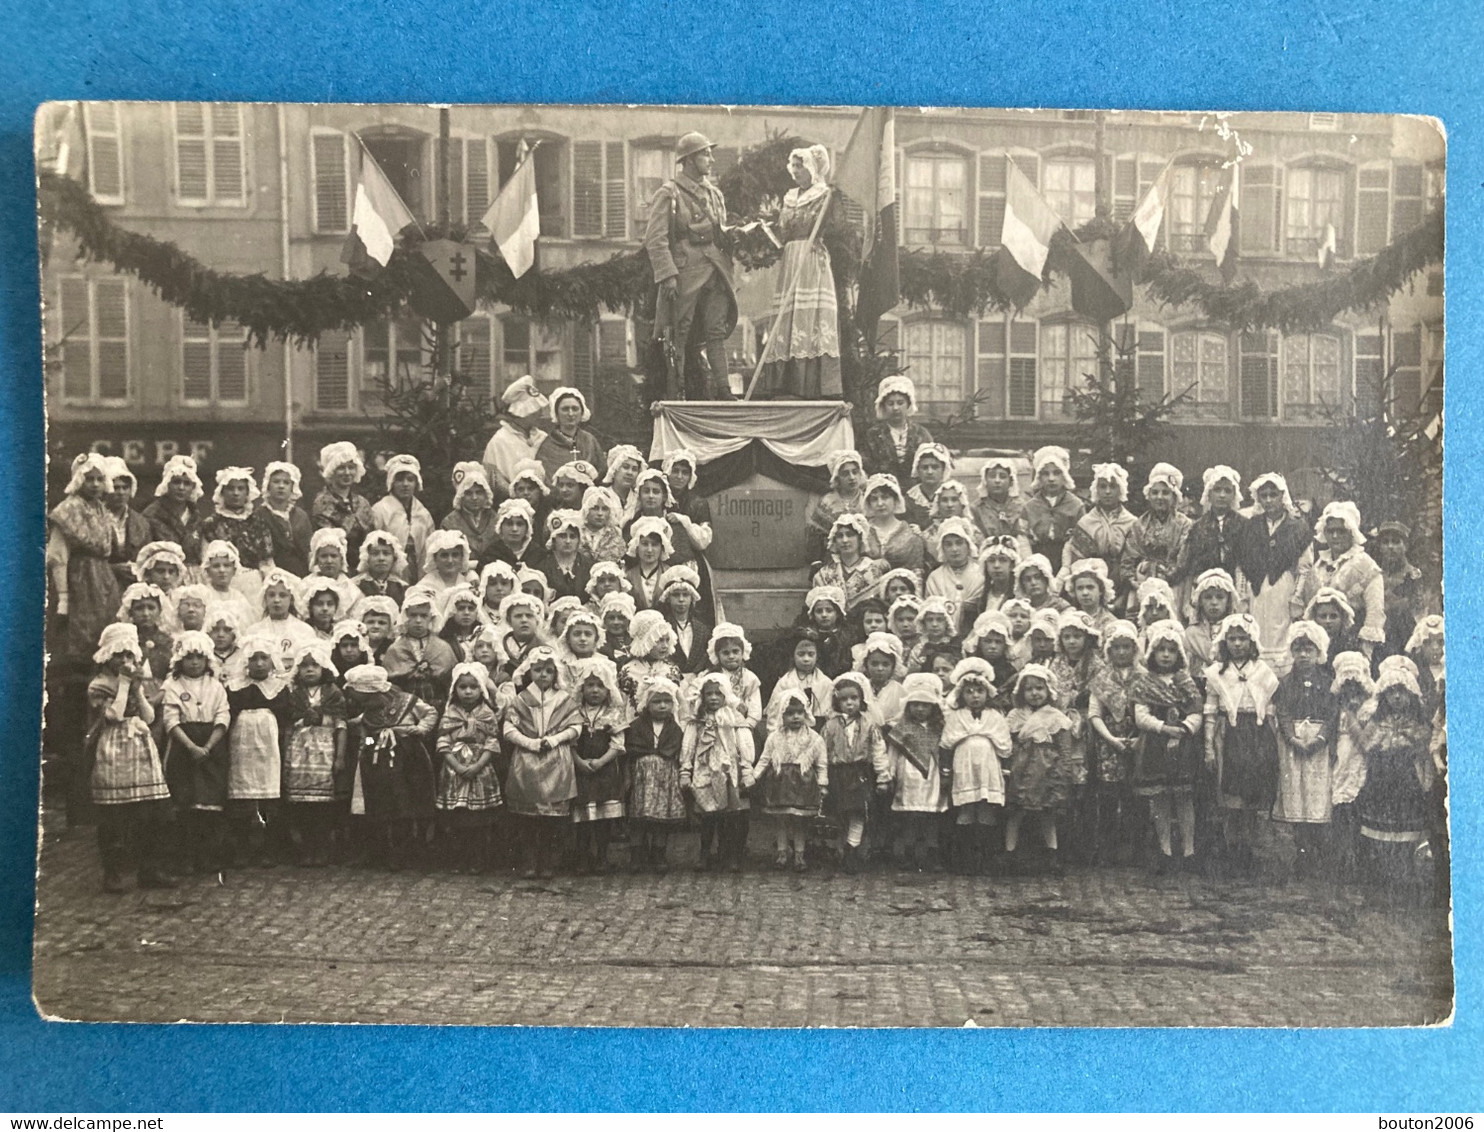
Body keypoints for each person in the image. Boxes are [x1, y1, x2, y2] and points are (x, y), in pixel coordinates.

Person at [643, 131, 737, 401]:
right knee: (678, 332)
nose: (711, 159)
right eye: (705, 154)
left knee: (716, 331)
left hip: (716, 270)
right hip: (685, 271)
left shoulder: (715, 194)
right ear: (689, 160)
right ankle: (678, 391)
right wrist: (668, 274)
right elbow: (655, 238)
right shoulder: (669, 193)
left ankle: (725, 390)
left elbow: (722, 231)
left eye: (709, 153)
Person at [86, 623, 176, 892]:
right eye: (119, 656)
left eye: (129, 656)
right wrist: (125, 685)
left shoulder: (135, 684)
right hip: (114, 745)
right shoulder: (99, 685)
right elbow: (113, 715)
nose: (125, 661)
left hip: (139, 745)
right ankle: (113, 873)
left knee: (149, 812)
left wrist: (136, 689)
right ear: (107, 657)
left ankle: (149, 869)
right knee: (114, 814)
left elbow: (148, 716)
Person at [752, 144, 846, 399]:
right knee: (788, 315)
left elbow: (838, 227)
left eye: (800, 166)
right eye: (792, 166)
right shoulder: (790, 196)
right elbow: (783, 233)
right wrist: (766, 230)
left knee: (810, 315)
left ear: (812, 169)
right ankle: (786, 382)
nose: (794, 171)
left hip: (811, 258)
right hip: (791, 257)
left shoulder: (825, 194)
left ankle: (812, 385)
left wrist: (834, 201)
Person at [1203, 613, 1280, 876]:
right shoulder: (1216, 673)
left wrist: (1270, 739)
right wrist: (1209, 746)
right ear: (1225, 642)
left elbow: (1269, 708)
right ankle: (1230, 847)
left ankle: (1248, 849)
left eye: (1242, 638)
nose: (1237, 644)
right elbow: (1211, 710)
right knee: (1229, 794)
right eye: (1232, 639)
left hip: (1254, 733)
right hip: (1229, 732)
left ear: (1251, 640)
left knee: (1251, 794)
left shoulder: (1261, 670)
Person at [343, 664, 439, 871]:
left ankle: (402, 852)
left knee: (404, 804)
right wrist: (369, 744)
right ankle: (379, 851)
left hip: (408, 760)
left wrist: (420, 729)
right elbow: (366, 737)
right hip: (377, 763)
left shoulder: (407, 702)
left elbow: (431, 713)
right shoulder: (369, 714)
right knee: (378, 805)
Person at [1132, 620, 1205, 874]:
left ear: (1179, 655)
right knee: (1159, 799)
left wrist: (1184, 728)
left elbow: (1198, 711)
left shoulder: (1185, 681)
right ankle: (1164, 850)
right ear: (1152, 653)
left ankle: (1189, 851)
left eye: (1171, 651)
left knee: (1184, 798)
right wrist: (1162, 728)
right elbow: (1140, 716)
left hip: (1182, 745)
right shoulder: (1145, 682)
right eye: (1161, 650)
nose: (1165, 655)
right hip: (1155, 745)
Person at [159, 631, 231, 875]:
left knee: (210, 803)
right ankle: (184, 857)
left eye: (199, 657)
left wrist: (208, 746)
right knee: (185, 803)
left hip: (212, 745)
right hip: (184, 745)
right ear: (180, 659)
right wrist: (191, 747)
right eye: (189, 657)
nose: (194, 662)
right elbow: (170, 721)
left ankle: (207, 856)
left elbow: (223, 716)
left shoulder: (216, 686)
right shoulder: (173, 686)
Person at [1271, 621, 1339, 880]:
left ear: (1319, 652)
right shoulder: (1286, 683)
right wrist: (1292, 737)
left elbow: (1332, 715)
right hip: (1294, 744)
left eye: (1309, 650)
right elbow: (1283, 712)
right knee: (1296, 794)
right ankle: (1300, 852)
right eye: (1298, 649)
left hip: (1318, 746)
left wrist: (1320, 739)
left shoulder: (1329, 682)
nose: (1303, 655)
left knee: (1317, 795)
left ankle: (1317, 854)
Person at [1234, 472, 1314, 679]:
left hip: (1283, 587)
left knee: (1282, 632)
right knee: (1257, 630)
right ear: (1258, 498)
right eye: (1264, 495)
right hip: (1257, 589)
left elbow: (1304, 567)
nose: (1269, 500)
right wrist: (1242, 595)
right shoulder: (1250, 526)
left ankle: (1283, 679)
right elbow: (1242, 563)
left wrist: (1296, 597)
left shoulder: (1297, 526)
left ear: (1282, 496)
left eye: (1273, 494)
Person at [225, 634, 293, 868]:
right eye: (254, 659)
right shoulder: (235, 688)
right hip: (242, 746)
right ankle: (242, 848)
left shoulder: (280, 688)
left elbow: (285, 719)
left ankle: (269, 848)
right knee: (243, 795)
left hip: (269, 747)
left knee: (269, 796)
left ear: (272, 661)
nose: (259, 664)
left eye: (264, 658)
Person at [1003, 663, 1077, 874]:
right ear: (1021, 692)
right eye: (1029, 689)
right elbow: (1007, 744)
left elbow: (1064, 749)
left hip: (1046, 771)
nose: (1034, 693)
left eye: (1039, 688)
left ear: (1048, 691)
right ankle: (1010, 853)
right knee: (1015, 813)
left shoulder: (1056, 717)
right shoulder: (1015, 716)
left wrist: (1062, 773)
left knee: (1047, 814)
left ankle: (1052, 854)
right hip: (1021, 769)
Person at [942, 658, 1013, 876]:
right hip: (964, 767)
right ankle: (965, 857)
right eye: (969, 692)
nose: (975, 696)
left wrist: (1005, 770)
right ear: (961, 695)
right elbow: (946, 743)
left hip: (988, 767)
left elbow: (1005, 745)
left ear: (987, 693)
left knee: (985, 808)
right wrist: (946, 771)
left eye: (979, 691)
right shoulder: (956, 717)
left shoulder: (994, 717)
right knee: (966, 808)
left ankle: (986, 857)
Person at [681, 672, 757, 873]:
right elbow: (689, 746)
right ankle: (704, 853)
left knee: (730, 816)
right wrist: (685, 770)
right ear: (702, 696)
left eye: (718, 694)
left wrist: (746, 770)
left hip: (727, 771)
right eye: (709, 694)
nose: (713, 698)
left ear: (726, 696)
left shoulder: (734, 719)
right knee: (707, 815)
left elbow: (743, 747)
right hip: (704, 770)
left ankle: (729, 855)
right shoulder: (697, 720)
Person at [281, 642, 348, 867]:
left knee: (323, 806)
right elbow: (290, 722)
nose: (309, 670)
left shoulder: (333, 693)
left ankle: (322, 848)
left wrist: (339, 756)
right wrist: (303, 720)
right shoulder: (295, 694)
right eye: (304, 666)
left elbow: (341, 724)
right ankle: (306, 848)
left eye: (315, 665)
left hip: (324, 750)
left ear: (324, 668)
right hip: (300, 751)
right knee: (303, 806)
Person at [435, 661, 503, 873]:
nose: (468, 692)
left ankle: (478, 858)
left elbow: (492, 742)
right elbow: (443, 742)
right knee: (457, 819)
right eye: (462, 687)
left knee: (478, 821)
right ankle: (458, 858)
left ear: (481, 689)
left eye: (473, 687)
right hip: (454, 769)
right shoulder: (450, 713)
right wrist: (455, 765)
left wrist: (478, 765)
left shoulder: (486, 714)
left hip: (479, 768)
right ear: (454, 689)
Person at [1299, 501, 1386, 663]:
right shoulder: (1319, 565)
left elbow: (1375, 612)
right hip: (1320, 644)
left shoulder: (1366, 565)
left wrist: (1365, 652)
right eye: (1331, 531)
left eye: (1341, 531)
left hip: (1352, 643)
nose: (1335, 536)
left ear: (1352, 533)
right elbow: (1309, 606)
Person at [820, 672, 889, 873]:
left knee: (858, 812)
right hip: (838, 773)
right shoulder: (830, 726)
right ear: (836, 701)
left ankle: (852, 849)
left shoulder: (869, 725)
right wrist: (822, 780)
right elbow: (823, 754)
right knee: (841, 813)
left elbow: (878, 751)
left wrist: (883, 777)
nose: (849, 703)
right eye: (844, 699)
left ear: (861, 700)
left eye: (854, 698)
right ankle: (840, 849)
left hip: (860, 773)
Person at [753, 689, 828, 871]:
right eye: (790, 713)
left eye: (800, 713)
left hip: (803, 782)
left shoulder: (814, 738)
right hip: (780, 782)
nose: (795, 717)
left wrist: (823, 783)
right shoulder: (774, 737)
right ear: (782, 715)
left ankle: (800, 855)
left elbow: (821, 763)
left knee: (799, 821)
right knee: (781, 819)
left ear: (806, 714)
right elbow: (765, 759)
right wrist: (754, 776)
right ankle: (782, 852)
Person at [567, 656, 628, 873]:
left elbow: (618, 744)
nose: (595, 690)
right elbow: (570, 742)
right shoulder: (574, 712)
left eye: (600, 686)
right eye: (590, 685)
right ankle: (583, 856)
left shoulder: (614, 713)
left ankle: (602, 856)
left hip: (605, 770)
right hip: (582, 769)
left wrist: (601, 762)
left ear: (608, 688)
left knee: (603, 817)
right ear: (581, 688)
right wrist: (579, 762)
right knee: (583, 817)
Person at [880, 673, 947, 870]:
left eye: (925, 705)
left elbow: (943, 752)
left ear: (933, 707)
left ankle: (930, 853)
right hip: (907, 773)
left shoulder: (938, 728)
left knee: (931, 815)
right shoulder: (902, 727)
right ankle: (909, 853)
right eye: (915, 704)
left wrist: (945, 773)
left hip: (931, 776)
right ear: (908, 705)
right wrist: (889, 773)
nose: (920, 709)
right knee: (909, 815)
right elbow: (893, 752)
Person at [624, 676, 688, 873]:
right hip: (642, 777)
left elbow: (676, 749)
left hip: (665, 778)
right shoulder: (636, 726)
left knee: (662, 817)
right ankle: (637, 853)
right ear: (646, 704)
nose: (662, 706)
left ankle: (659, 852)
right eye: (657, 701)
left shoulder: (675, 728)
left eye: (667, 701)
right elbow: (630, 749)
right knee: (639, 817)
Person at [1175, 466, 1248, 615]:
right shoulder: (1197, 527)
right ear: (1209, 493)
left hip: (1236, 589)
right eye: (1217, 490)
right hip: (1206, 593)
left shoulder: (1244, 525)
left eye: (1227, 491)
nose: (1222, 495)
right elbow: (1188, 566)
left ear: (1234, 494)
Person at [1119, 462, 1190, 597]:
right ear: (1149, 496)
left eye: (1165, 493)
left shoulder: (1184, 524)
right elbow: (1128, 559)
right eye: (1155, 492)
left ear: (1174, 496)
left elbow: (1185, 560)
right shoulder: (1139, 525)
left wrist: (1166, 578)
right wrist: (1133, 581)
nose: (1159, 497)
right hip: (1142, 583)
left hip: (1174, 585)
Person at [383, 588, 457, 708]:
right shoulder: (396, 649)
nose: (418, 620)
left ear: (431, 618)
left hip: (438, 704)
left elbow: (450, 681)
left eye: (423, 616)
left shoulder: (443, 647)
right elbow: (390, 684)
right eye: (413, 615)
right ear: (406, 617)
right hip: (404, 706)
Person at [1372, 520, 1434, 664]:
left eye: (1396, 542)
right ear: (1380, 547)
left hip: (1404, 639)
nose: (1390, 547)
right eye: (1385, 542)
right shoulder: (1374, 574)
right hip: (1379, 638)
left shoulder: (1414, 576)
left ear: (1405, 546)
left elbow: (1420, 613)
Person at [1063, 463, 1136, 581]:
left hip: (1123, 581)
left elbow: (1134, 560)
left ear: (1121, 489)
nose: (1107, 491)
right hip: (1091, 581)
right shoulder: (1086, 523)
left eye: (1112, 486)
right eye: (1103, 486)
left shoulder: (1131, 522)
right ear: (1096, 490)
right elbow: (1077, 562)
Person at [370, 454, 436, 581]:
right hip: (389, 574)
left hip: (418, 571)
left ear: (416, 483)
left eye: (410, 479)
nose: (405, 484)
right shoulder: (380, 510)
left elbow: (430, 550)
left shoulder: (423, 514)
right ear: (391, 482)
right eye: (400, 480)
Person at [310, 442, 376, 569]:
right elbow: (330, 543)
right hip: (334, 567)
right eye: (341, 468)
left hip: (364, 567)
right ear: (332, 471)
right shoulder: (322, 503)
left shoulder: (362, 503)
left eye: (351, 467)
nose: (347, 472)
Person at [482, 375, 550, 496]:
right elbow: (491, 478)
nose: (541, 413)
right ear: (523, 412)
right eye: (536, 409)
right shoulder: (500, 441)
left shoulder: (542, 437)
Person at [199, 467, 275, 574]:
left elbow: (267, 562)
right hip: (222, 579)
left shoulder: (258, 523)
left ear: (247, 492)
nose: (236, 493)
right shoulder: (211, 525)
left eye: (240, 488)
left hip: (254, 580)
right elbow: (206, 561)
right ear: (222, 492)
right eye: (230, 488)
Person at [861, 376, 934, 486]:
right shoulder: (873, 435)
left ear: (908, 404)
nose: (895, 408)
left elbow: (931, 464)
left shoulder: (921, 434)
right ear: (884, 406)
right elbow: (866, 467)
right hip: (883, 492)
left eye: (900, 403)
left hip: (915, 491)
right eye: (890, 403)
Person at [142, 454, 206, 574]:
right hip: (164, 577)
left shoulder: (196, 517)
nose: (181, 488)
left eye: (187, 483)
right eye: (176, 482)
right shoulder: (151, 515)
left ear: (193, 487)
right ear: (167, 484)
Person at [1022, 446, 1085, 567]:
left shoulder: (1076, 506)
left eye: (1057, 473)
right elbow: (1023, 540)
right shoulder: (1029, 507)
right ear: (1039, 477)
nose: (1051, 479)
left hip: (1069, 562)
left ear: (1064, 475)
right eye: (1046, 474)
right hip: (1037, 562)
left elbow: (1081, 543)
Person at [811, 514, 887, 612]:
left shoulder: (874, 570)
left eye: (850, 535)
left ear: (860, 539)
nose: (845, 540)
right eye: (840, 536)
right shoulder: (824, 574)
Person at [805, 449, 867, 564]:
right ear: (837, 478)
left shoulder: (867, 500)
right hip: (833, 561)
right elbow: (816, 541)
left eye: (855, 472)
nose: (852, 477)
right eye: (845, 473)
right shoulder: (828, 502)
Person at [925, 518, 982, 636]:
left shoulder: (980, 573)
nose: (954, 549)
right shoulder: (935, 577)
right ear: (943, 548)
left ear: (968, 545)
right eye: (948, 544)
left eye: (959, 543)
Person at [102, 458, 153, 590]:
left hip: (132, 585)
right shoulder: (94, 517)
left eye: (125, 488)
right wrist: (112, 569)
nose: (121, 492)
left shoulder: (141, 522)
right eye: (115, 487)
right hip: (100, 583)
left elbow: (148, 556)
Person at [537, 387, 607, 483]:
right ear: (556, 413)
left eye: (575, 409)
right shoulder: (547, 446)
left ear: (581, 412)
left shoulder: (590, 441)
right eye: (565, 409)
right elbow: (546, 481)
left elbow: (602, 472)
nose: (570, 413)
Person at [862, 473, 927, 578]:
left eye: (885, 497)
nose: (880, 503)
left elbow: (917, 573)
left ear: (896, 500)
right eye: (874, 499)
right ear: (868, 503)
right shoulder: (862, 532)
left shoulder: (911, 534)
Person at [256, 461, 313, 579]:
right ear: (268, 485)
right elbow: (262, 556)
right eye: (276, 481)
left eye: (286, 482)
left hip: (302, 573)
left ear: (293, 487)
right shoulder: (259, 515)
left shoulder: (301, 516)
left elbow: (308, 551)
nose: (281, 486)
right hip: (271, 574)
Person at [440, 462, 500, 571]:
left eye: (479, 492)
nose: (474, 497)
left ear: (486, 494)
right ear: (461, 496)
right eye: (468, 493)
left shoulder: (497, 519)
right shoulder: (449, 522)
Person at [535, 509, 592, 604]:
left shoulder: (588, 566)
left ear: (579, 540)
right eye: (562, 536)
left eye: (572, 536)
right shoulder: (542, 567)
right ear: (554, 539)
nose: (568, 541)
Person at [349, 530, 409, 610]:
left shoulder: (402, 588)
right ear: (367, 557)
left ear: (394, 558)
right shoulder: (354, 585)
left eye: (386, 553)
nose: (381, 558)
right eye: (375, 553)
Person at [904, 443, 954, 531]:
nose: (930, 472)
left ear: (943, 469)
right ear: (918, 470)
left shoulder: (952, 493)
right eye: (925, 467)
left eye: (935, 467)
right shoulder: (910, 498)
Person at [579, 486, 626, 564]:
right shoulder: (577, 532)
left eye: (604, 509)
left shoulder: (615, 534)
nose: (600, 514)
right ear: (586, 510)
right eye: (595, 508)